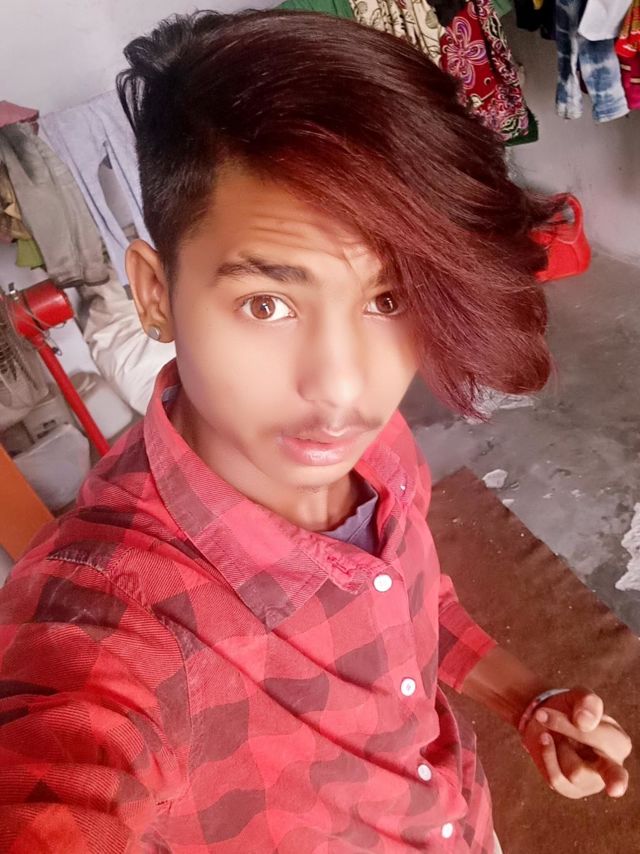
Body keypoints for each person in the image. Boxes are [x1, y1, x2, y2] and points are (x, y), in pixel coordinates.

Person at [0, 10, 631, 853]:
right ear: (155, 295)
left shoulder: (377, 449)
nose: (341, 387)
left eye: (388, 299)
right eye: (268, 303)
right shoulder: (103, 621)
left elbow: (405, 601)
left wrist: (526, 700)